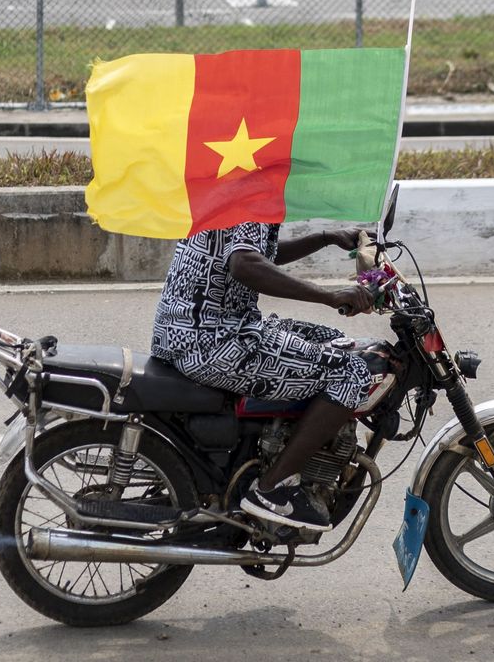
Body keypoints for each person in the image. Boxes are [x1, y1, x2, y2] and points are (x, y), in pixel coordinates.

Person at [151, 221, 373, 530]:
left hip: (195, 330)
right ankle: (272, 489)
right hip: (213, 340)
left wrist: (325, 238)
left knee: (334, 339)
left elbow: (260, 253)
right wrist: (329, 297)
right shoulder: (249, 195)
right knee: (350, 372)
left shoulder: (239, 183)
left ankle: (269, 451)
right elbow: (246, 263)